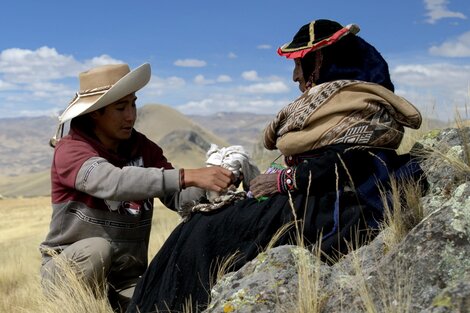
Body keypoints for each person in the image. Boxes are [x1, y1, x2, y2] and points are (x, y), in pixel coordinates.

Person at [127, 19, 427, 313]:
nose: (296, 76)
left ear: (321, 60)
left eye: (300, 64)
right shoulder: (342, 100)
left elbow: (349, 162)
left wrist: (283, 181)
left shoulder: (358, 102)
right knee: (195, 228)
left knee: (204, 232)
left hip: (329, 206)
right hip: (312, 198)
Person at [39, 63, 234, 312]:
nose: (130, 115)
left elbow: (178, 199)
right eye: (120, 108)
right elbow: (113, 182)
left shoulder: (144, 148)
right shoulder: (71, 149)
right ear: (95, 113)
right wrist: (187, 176)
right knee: (97, 249)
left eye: (133, 104)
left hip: (126, 278)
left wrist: (215, 182)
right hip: (68, 271)